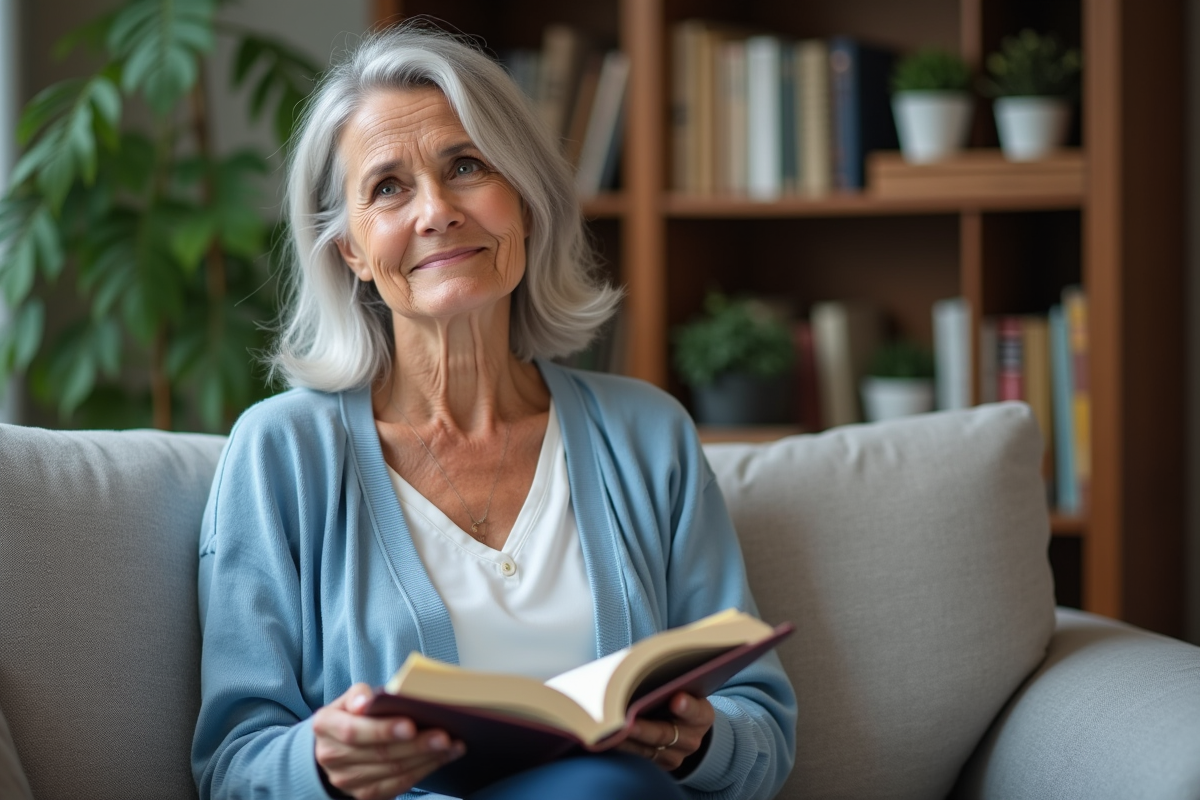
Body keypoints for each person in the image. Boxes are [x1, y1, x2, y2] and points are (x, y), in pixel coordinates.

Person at [191, 22, 795, 800]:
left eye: (466, 166)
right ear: (351, 251)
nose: (436, 211)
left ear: (526, 202)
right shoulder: (280, 452)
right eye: (388, 187)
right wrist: (322, 763)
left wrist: (700, 741)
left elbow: (762, 728)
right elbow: (233, 765)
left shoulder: (649, 434)